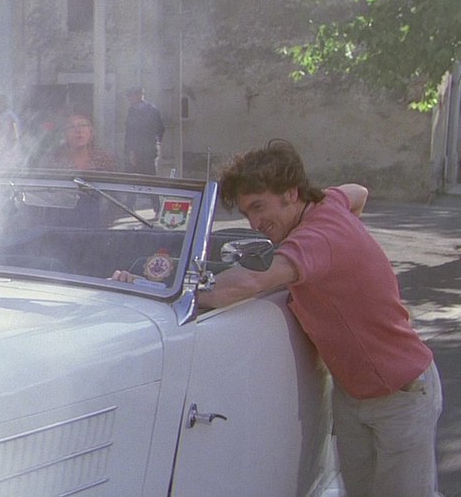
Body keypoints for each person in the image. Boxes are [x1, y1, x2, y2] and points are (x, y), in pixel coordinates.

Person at [115, 139, 443, 496]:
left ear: (291, 193)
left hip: (401, 391)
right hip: (353, 392)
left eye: (259, 207)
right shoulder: (327, 205)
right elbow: (357, 192)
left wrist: (160, 287)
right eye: (247, 213)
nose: (255, 223)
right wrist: (347, 250)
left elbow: (247, 283)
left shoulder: (316, 238)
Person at [38, 111, 118, 171]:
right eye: (71, 126)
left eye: (83, 125)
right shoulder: (51, 159)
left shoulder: (104, 159)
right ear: (64, 133)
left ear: (92, 131)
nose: (78, 130)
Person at [123, 86, 165, 175]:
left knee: (148, 177)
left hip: (148, 152)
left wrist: (155, 144)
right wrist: (130, 151)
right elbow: (130, 133)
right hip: (135, 152)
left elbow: (160, 129)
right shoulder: (132, 111)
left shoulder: (152, 110)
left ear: (139, 95)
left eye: (131, 96)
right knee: (133, 177)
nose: (129, 99)